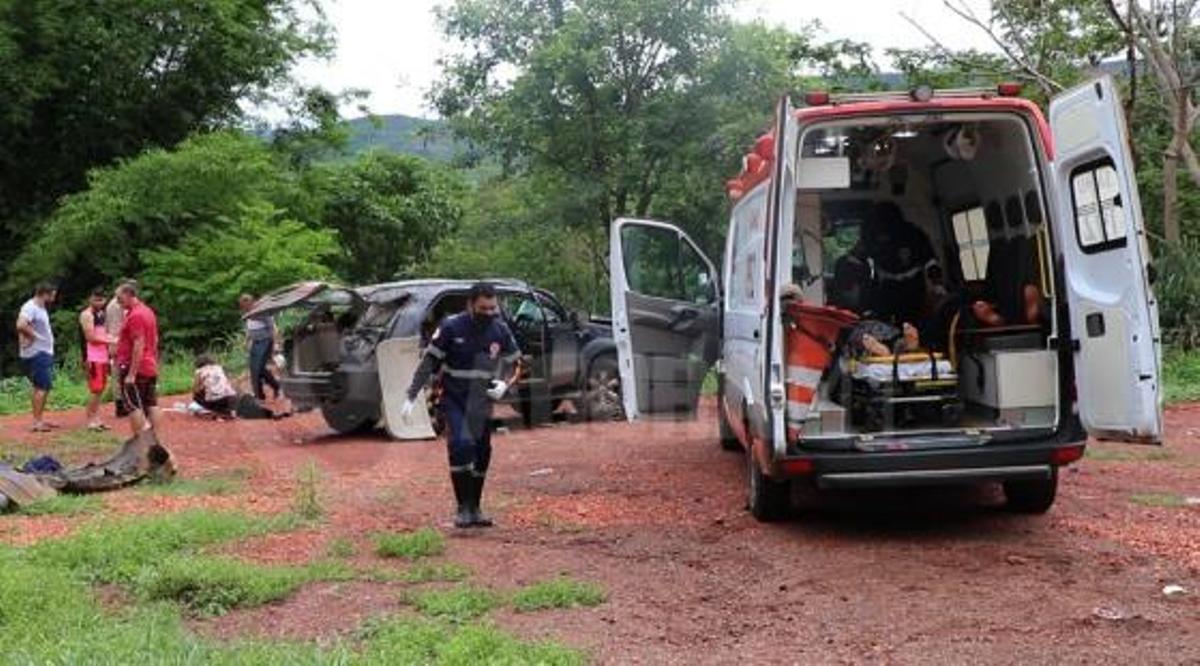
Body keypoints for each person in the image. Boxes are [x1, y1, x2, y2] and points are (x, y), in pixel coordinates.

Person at [400, 282, 522, 528]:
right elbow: (429, 363)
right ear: (470, 305)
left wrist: (505, 384)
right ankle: (462, 508)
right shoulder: (451, 327)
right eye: (483, 308)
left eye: (492, 309)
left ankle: (475, 508)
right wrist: (411, 395)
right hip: (454, 397)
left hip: (481, 399)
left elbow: (517, 363)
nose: (488, 313)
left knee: (481, 453)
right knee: (461, 445)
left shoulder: (499, 330)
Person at [114, 282, 162, 436]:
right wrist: (153, 359)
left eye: (119, 297)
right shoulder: (147, 311)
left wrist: (132, 373)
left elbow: (138, 343)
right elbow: (155, 339)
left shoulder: (136, 315)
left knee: (134, 406)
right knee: (151, 403)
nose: (117, 301)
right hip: (149, 365)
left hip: (136, 367)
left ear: (129, 295)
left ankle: (140, 440)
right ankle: (154, 438)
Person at [15, 283, 58, 432]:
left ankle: (39, 419)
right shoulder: (30, 307)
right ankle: (36, 422)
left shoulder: (40, 307)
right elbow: (20, 324)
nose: (54, 297)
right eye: (52, 294)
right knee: (42, 387)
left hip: (42, 352)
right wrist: (34, 337)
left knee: (41, 387)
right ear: (44, 293)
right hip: (37, 353)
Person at [79, 287, 116, 431]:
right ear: (90, 299)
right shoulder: (87, 315)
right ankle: (90, 420)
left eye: (101, 299)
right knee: (96, 389)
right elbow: (90, 338)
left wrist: (110, 341)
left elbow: (102, 334)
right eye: (96, 299)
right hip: (92, 357)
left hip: (102, 356)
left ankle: (96, 418)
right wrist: (111, 341)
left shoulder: (101, 314)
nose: (99, 302)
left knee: (101, 389)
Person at [239, 294, 281, 401]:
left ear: (251, 302)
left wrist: (275, 344)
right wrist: (246, 340)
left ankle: (261, 394)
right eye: (242, 305)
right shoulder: (248, 313)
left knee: (258, 367)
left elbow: (272, 328)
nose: (244, 307)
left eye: (245, 305)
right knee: (255, 368)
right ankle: (264, 392)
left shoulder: (262, 311)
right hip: (256, 342)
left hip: (265, 341)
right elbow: (250, 329)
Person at [104, 283, 128, 415]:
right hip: (120, 342)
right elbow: (119, 326)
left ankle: (120, 404)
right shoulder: (119, 305)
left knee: (117, 376)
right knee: (121, 374)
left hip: (112, 341)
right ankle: (122, 404)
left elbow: (107, 326)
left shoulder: (110, 305)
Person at [192, 354, 238, 418]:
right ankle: (229, 410)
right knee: (225, 393)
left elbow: (196, 389)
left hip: (216, 400)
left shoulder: (199, 371)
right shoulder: (219, 368)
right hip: (232, 398)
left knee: (196, 396)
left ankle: (215, 411)